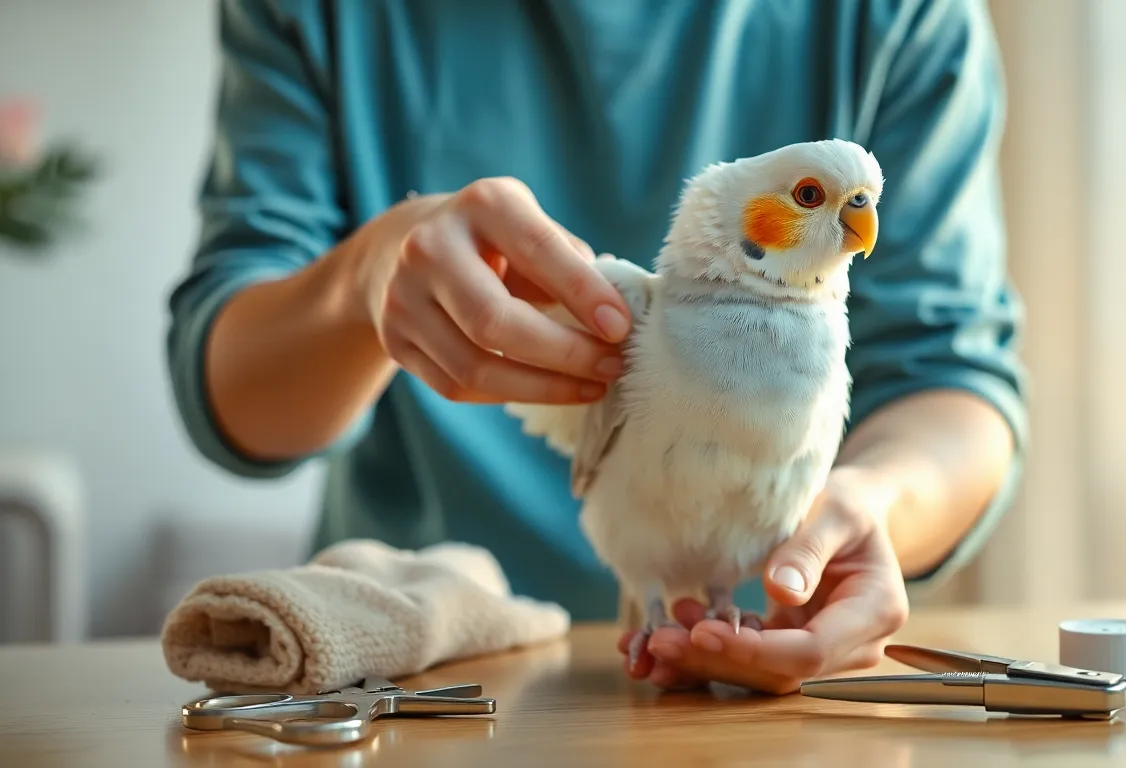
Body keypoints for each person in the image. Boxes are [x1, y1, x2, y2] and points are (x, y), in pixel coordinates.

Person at [166, 0, 1027, 695]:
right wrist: (363, 280)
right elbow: (230, 386)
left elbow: (951, 372)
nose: (853, 219)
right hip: (413, 660)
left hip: (770, 697)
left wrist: (865, 506)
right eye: (811, 195)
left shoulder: (906, 15)